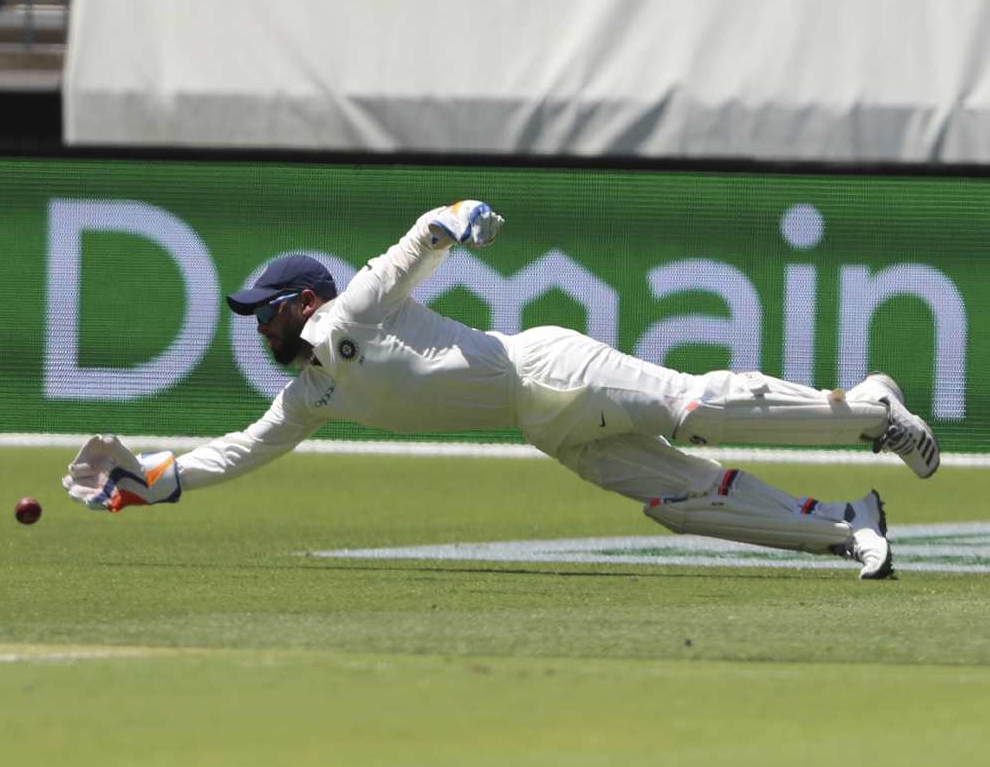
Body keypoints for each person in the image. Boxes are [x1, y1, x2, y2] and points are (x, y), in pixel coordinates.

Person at [63, 201, 940, 579]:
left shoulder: (347, 316)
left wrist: (458, 219)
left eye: (266, 315)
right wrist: (145, 480)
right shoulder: (310, 398)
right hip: (546, 428)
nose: (260, 330)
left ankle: (869, 407)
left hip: (547, 367)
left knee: (696, 407)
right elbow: (236, 452)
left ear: (302, 302)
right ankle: (848, 528)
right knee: (681, 501)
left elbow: (413, 244)